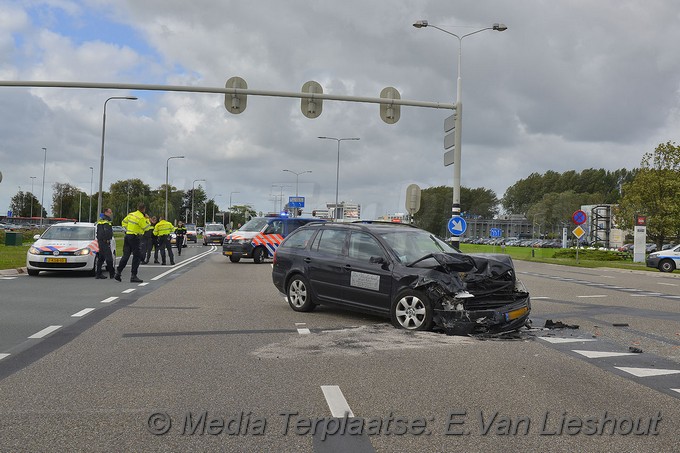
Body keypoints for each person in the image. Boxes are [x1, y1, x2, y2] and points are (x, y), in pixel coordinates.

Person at [114, 203, 149, 283]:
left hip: (127, 236)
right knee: (136, 256)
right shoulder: (141, 217)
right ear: (144, 209)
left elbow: (123, 222)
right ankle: (133, 275)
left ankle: (118, 273)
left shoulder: (131, 214)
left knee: (125, 255)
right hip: (135, 237)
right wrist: (147, 219)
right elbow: (146, 227)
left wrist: (127, 229)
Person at [95, 207, 115, 279]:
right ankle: (112, 274)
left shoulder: (101, 221)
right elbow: (107, 232)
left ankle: (98, 273)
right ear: (106, 213)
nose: (111, 213)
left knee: (101, 258)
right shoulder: (106, 221)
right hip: (104, 241)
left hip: (101, 241)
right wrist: (107, 239)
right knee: (109, 258)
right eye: (110, 212)